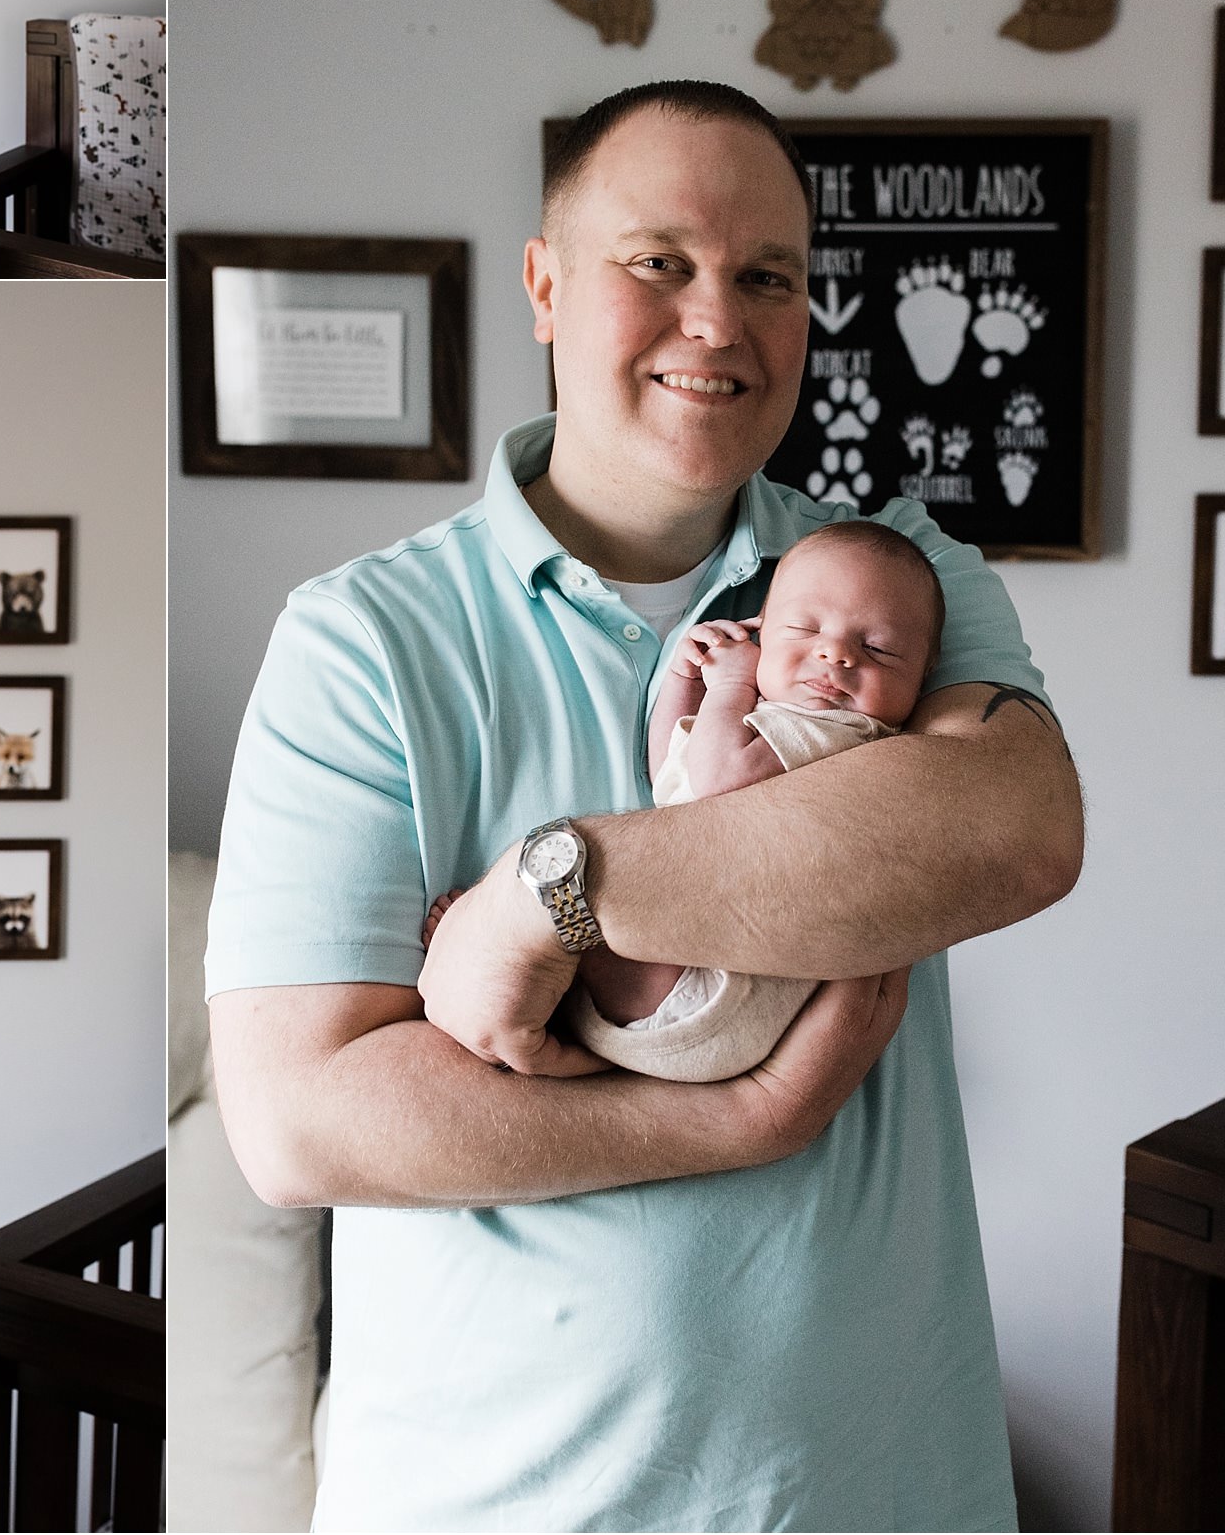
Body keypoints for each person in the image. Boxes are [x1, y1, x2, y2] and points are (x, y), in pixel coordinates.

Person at [207, 81, 1083, 1531]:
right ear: (546, 284)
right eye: (659, 263)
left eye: (768, 277)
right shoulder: (362, 638)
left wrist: (557, 886)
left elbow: (1016, 830)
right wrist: (738, 1116)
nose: (717, 322)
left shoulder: (892, 574)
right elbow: (303, 1121)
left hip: (873, 1495)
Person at [423, 517, 946, 1084]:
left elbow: (718, 783)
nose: (836, 655)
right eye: (804, 629)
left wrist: (727, 686)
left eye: (878, 648)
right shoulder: (770, 726)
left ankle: (506, 967)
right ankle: (562, 1032)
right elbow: (674, 780)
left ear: (924, 676)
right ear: (761, 630)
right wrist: (685, 679)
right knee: (614, 873)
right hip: (697, 1008)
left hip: (706, 991)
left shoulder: (844, 735)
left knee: (583, 862)